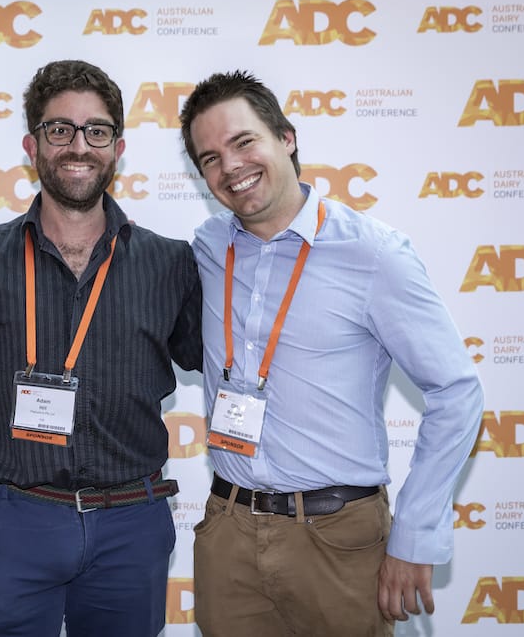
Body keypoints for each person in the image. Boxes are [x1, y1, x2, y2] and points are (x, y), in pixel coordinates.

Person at [179, 70, 483, 636]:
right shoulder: (206, 248)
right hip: (227, 532)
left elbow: (457, 390)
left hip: (338, 537)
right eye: (210, 158)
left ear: (286, 137)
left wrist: (414, 534)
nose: (231, 167)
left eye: (244, 142)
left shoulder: (374, 254)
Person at [0, 60, 203, 637]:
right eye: (59, 129)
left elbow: (221, 355)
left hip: (131, 524)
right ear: (32, 144)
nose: (78, 145)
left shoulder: (171, 264)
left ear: (118, 147)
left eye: (96, 131)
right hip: (19, 519)